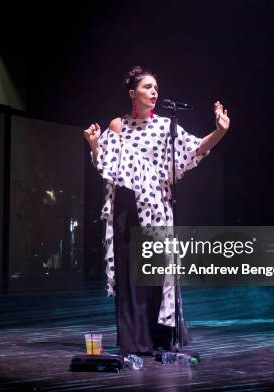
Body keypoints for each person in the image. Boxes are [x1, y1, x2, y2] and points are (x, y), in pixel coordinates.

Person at [83, 66, 230, 355]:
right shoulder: (118, 126)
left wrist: (220, 131)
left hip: (159, 207)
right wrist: (93, 145)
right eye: (148, 87)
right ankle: (135, 341)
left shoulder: (166, 126)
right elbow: (107, 168)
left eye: (156, 88)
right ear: (132, 93)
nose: (154, 92)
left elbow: (195, 149)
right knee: (131, 275)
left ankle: (162, 338)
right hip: (127, 206)